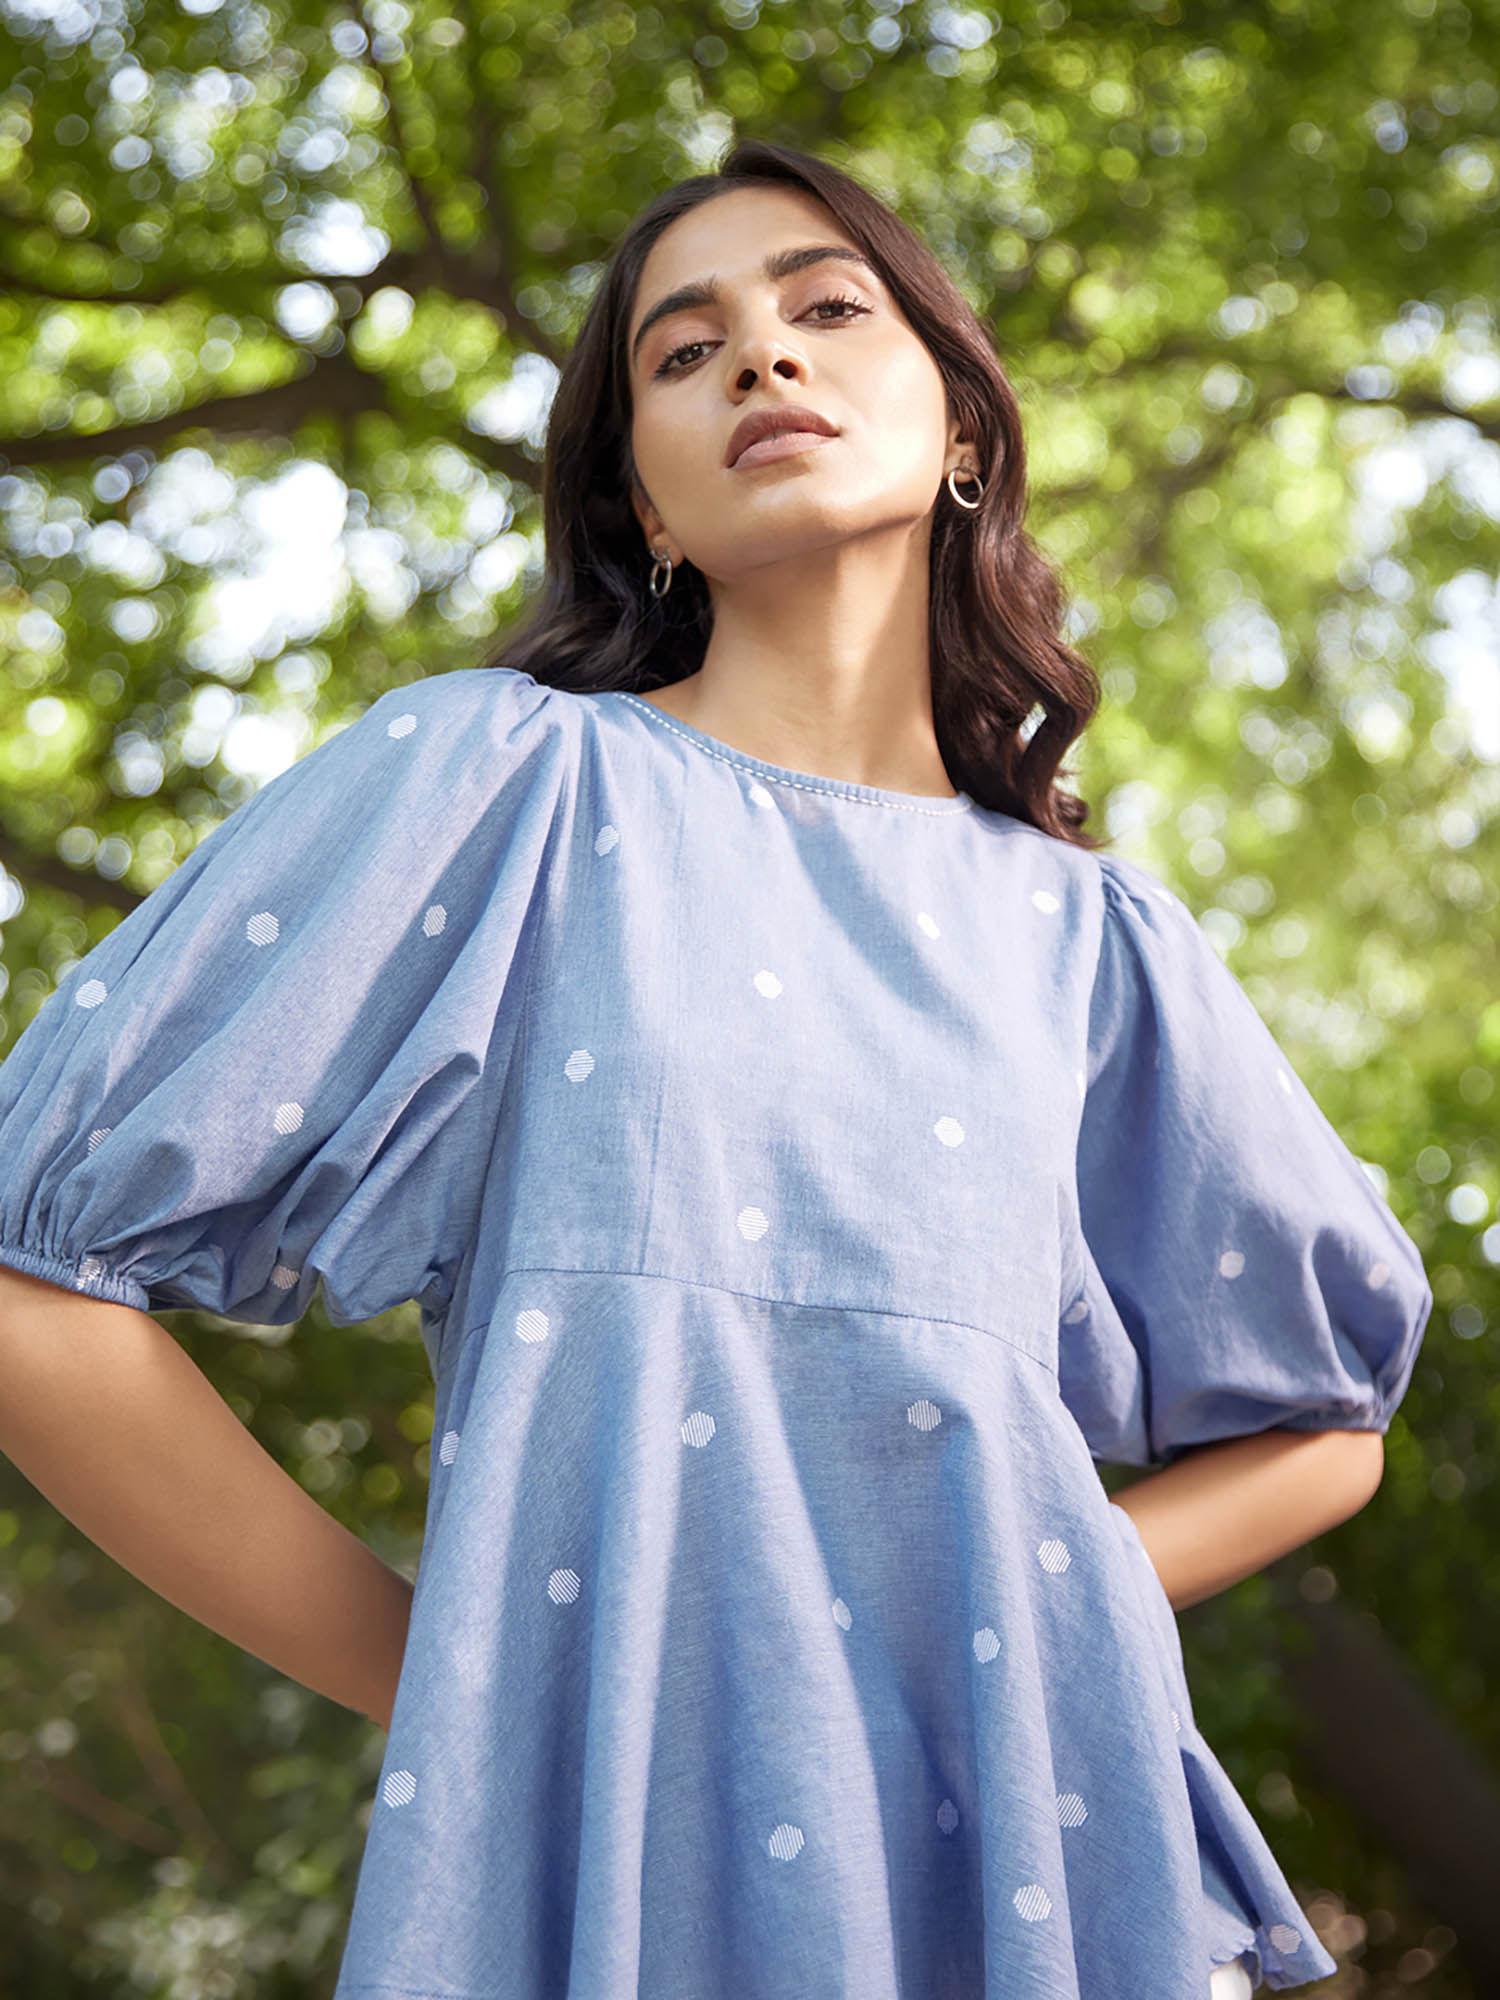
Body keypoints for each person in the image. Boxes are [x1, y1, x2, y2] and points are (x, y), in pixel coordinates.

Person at [0, 139, 1431, 2000]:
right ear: (646, 510)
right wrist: (456, 1668)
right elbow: (37, 1281)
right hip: (600, 1853)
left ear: (963, 434)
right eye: (686, 353)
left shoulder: (1097, 941)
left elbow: (1324, 1424)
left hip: (1057, 1866)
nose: (761, 357)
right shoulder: (507, 788)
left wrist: (1012, 1602)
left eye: (827, 310)